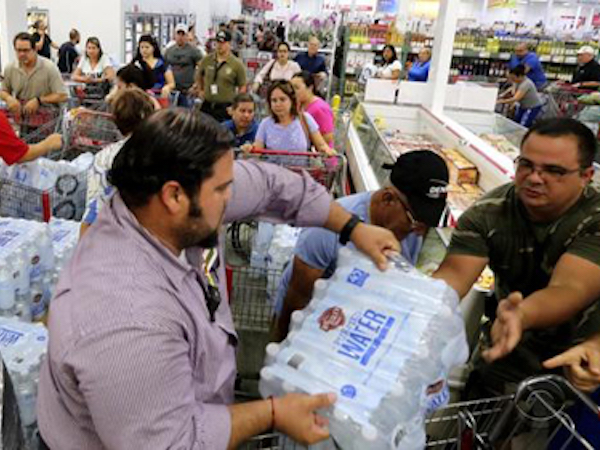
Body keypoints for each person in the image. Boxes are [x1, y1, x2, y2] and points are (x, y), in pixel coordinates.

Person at [36, 108, 400, 450]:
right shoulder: (127, 321)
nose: (232, 196)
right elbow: (175, 442)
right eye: (223, 188)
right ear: (174, 196)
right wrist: (272, 413)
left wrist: (353, 227)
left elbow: (271, 185)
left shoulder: (172, 207)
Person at [432, 118, 600, 398]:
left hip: (582, 363)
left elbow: (570, 288)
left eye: (554, 171)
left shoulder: (594, 219)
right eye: (526, 165)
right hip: (505, 354)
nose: (534, 178)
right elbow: (452, 279)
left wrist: (522, 314)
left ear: (586, 175)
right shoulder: (487, 214)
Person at [274, 150, 449, 340]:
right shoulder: (326, 230)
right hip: (311, 316)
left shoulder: (412, 231)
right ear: (387, 199)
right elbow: (297, 300)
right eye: (415, 222)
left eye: (427, 224)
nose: (420, 233)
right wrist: (282, 345)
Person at [81, 87, 157, 233]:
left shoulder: (104, 158)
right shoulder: (166, 151)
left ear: (116, 120)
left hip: (115, 235)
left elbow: (92, 212)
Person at [254, 80, 334, 155]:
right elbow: (257, 151)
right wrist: (250, 149)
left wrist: (327, 151)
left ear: (292, 101)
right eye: (274, 100)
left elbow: (321, 145)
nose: (278, 104)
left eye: (282, 99)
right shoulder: (265, 124)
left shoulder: (305, 119)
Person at [0, 32, 68, 115]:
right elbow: (3, 91)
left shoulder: (49, 67)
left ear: (35, 49)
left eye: (26, 50)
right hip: (21, 116)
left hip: (47, 117)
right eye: (18, 50)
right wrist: (8, 98)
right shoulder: (10, 68)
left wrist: (39, 100)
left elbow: (63, 95)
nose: (22, 54)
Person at [196, 30, 247, 122]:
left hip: (225, 107)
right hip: (208, 105)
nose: (219, 45)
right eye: (218, 42)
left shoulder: (236, 64)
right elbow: (199, 75)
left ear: (229, 44)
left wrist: (236, 105)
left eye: (223, 43)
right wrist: (200, 90)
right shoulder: (207, 60)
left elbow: (242, 86)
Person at [291, 71, 334, 147]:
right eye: (291, 88)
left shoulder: (320, 108)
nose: (293, 92)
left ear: (310, 88)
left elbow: (328, 136)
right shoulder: (299, 104)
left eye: (297, 88)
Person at [165, 23, 203, 106]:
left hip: (187, 91)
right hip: (172, 91)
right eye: (178, 34)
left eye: (183, 34)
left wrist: (196, 85)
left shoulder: (194, 51)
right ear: (174, 35)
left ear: (187, 36)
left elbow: (202, 68)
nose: (180, 37)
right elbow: (164, 68)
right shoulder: (169, 51)